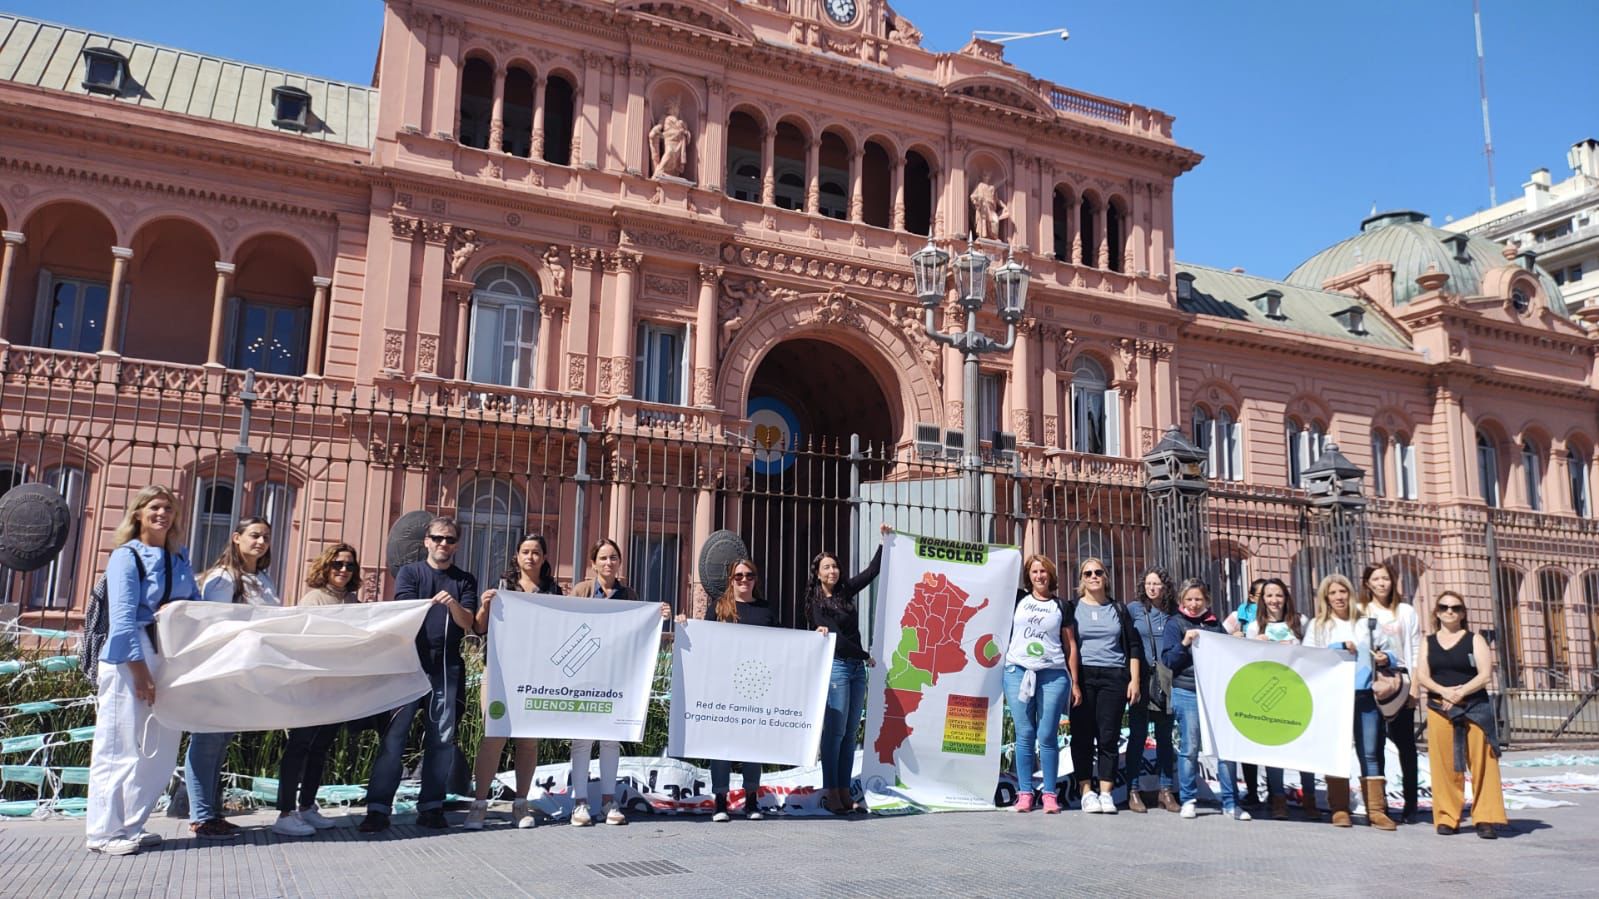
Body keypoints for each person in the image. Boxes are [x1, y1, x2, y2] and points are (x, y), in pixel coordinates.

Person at [85, 485, 199, 856]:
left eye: (168, 507)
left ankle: (132, 822)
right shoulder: (125, 556)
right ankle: (103, 832)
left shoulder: (179, 559)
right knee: (118, 744)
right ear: (138, 513)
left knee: (161, 748)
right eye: (154, 507)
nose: (162, 513)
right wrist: (139, 671)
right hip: (129, 656)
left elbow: (195, 607)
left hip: (169, 654)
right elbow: (122, 619)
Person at [361, 516, 479, 833]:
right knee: (394, 738)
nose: (444, 544)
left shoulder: (464, 580)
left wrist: (452, 604)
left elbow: (469, 621)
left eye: (450, 540)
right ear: (426, 540)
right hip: (409, 665)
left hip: (446, 667)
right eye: (438, 538)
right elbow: (404, 610)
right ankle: (377, 808)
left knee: (441, 740)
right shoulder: (411, 573)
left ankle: (431, 806)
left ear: (457, 544)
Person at [564, 538, 670, 827]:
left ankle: (609, 800)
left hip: (617, 676)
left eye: (613, 558)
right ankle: (580, 802)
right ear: (593, 562)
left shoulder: (629, 594)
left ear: (619, 562)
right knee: (582, 739)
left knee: (611, 740)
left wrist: (659, 617)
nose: (609, 563)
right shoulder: (581, 591)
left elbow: (640, 632)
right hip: (585, 675)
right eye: (603, 558)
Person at [187, 516, 280, 840]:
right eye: (255, 535)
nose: (261, 541)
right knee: (207, 739)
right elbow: (212, 624)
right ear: (236, 538)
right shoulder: (224, 578)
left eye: (266, 536)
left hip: (244, 671)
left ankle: (212, 811)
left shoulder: (262, 578)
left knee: (221, 741)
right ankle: (201, 815)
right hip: (220, 668)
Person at [465, 533, 561, 831]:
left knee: (528, 741)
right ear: (516, 557)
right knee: (494, 737)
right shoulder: (502, 589)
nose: (530, 557)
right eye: (525, 552)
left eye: (536, 552)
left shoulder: (554, 592)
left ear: (544, 558)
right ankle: (479, 806)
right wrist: (484, 605)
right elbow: (479, 627)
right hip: (499, 673)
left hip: (534, 676)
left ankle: (520, 805)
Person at [678, 558, 780, 821]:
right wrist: (684, 624)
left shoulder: (766, 610)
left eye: (749, 575)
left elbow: (784, 646)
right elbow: (703, 643)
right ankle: (720, 801)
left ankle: (752, 800)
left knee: (752, 745)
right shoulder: (719, 608)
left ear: (756, 579)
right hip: (723, 686)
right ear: (730, 580)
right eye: (738, 576)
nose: (744, 580)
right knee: (720, 744)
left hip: (755, 686)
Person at [272, 543, 362, 837]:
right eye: (338, 564)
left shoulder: (353, 602)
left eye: (349, 565)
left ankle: (307, 806)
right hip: (311, 686)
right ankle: (285, 811)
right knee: (299, 746)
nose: (344, 570)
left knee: (321, 748)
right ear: (326, 566)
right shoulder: (314, 599)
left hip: (337, 688)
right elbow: (301, 638)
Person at [806, 523, 894, 815]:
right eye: (827, 567)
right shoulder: (814, 605)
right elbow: (836, 639)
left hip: (857, 670)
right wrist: (865, 654)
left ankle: (844, 791)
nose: (833, 572)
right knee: (835, 733)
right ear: (817, 573)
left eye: (836, 567)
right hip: (838, 668)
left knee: (850, 733)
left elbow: (871, 572)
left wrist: (885, 540)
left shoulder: (844, 592)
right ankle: (831, 791)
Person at [1304, 573, 1398, 830]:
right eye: (1332, 593)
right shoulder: (1318, 625)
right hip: (1334, 696)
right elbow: (1308, 657)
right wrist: (1337, 646)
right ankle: (1339, 808)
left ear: (1350, 593)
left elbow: (1391, 651)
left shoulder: (1367, 622)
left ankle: (1376, 810)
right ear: (1325, 597)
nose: (1338, 597)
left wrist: (1384, 658)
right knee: (1337, 750)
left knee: (1369, 752)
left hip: (1365, 694)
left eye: (1342, 592)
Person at [1415, 591, 1506, 839]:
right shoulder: (1428, 641)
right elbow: (1423, 675)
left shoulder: (1474, 640)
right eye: (1444, 607)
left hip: (1474, 707)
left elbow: (1485, 674)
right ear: (1437, 612)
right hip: (1440, 709)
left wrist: (1460, 693)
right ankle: (1447, 817)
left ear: (1463, 613)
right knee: (1443, 765)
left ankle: (1485, 817)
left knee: (1483, 761)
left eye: (1455, 608)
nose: (1450, 612)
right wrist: (1444, 692)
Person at [1162, 578, 1250, 821]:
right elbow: (1168, 661)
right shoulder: (1175, 624)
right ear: (1181, 601)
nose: (1193, 603)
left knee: (1224, 749)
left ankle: (1231, 802)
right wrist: (1184, 643)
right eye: (1189, 599)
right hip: (1187, 690)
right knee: (1190, 747)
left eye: (1198, 599)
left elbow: (1226, 656)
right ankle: (1188, 799)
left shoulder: (1214, 624)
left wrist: (1236, 641)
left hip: (1215, 692)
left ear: (1207, 601)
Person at [1004, 554, 1081, 814]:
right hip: (1018, 672)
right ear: (1029, 576)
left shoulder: (1061, 605)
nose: (1039, 576)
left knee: (1047, 734)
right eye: (1035, 571)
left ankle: (1049, 794)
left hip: (1053, 674)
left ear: (1051, 575)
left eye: (1044, 571)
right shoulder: (1017, 600)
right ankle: (1025, 793)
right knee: (1024, 734)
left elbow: (1070, 645)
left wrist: (1075, 682)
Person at [1067, 557, 1142, 815]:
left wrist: (1134, 680)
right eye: (1088, 573)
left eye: (1099, 572)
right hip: (1084, 676)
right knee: (1082, 735)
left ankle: (1106, 792)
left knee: (1108, 736)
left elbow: (1133, 646)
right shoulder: (1072, 608)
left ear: (1106, 577)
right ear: (1082, 580)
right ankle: (1086, 791)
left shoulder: (1119, 610)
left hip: (1114, 676)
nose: (1094, 576)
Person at [1244, 578, 1318, 821]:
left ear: (1286, 597)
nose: (1274, 600)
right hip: (1270, 694)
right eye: (1269, 596)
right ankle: (1278, 800)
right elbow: (1247, 660)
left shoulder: (1301, 622)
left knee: (1304, 747)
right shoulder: (1256, 627)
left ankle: (1309, 798)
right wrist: (1254, 644)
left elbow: (1314, 654)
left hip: (1298, 692)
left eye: (1279, 595)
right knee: (1274, 748)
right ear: (1261, 600)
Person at [1361, 561, 1422, 823]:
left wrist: (1416, 688)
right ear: (1368, 584)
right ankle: (1380, 803)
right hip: (1373, 685)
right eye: (1376, 579)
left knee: (1406, 745)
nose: (1381, 583)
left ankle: (1411, 803)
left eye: (1385, 578)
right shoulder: (1361, 611)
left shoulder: (1406, 611)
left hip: (1401, 684)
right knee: (1375, 746)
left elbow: (1416, 649)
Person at [1124, 566, 1178, 813]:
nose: (1152, 588)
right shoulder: (1134, 609)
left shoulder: (1174, 612)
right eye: (1148, 584)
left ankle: (1166, 790)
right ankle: (1132, 790)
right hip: (1141, 678)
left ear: (1165, 586)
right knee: (1137, 735)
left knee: (1165, 737)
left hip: (1166, 678)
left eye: (1157, 584)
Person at [1224, 577, 1267, 808]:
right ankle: (1251, 791)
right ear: (1251, 597)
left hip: (1271, 680)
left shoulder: (1281, 618)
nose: (1268, 599)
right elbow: (1218, 635)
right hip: (1246, 681)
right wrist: (1233, 637)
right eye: (1262, 595)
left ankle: (1275, 792)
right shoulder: (1239, 615)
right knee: (1248, 741)